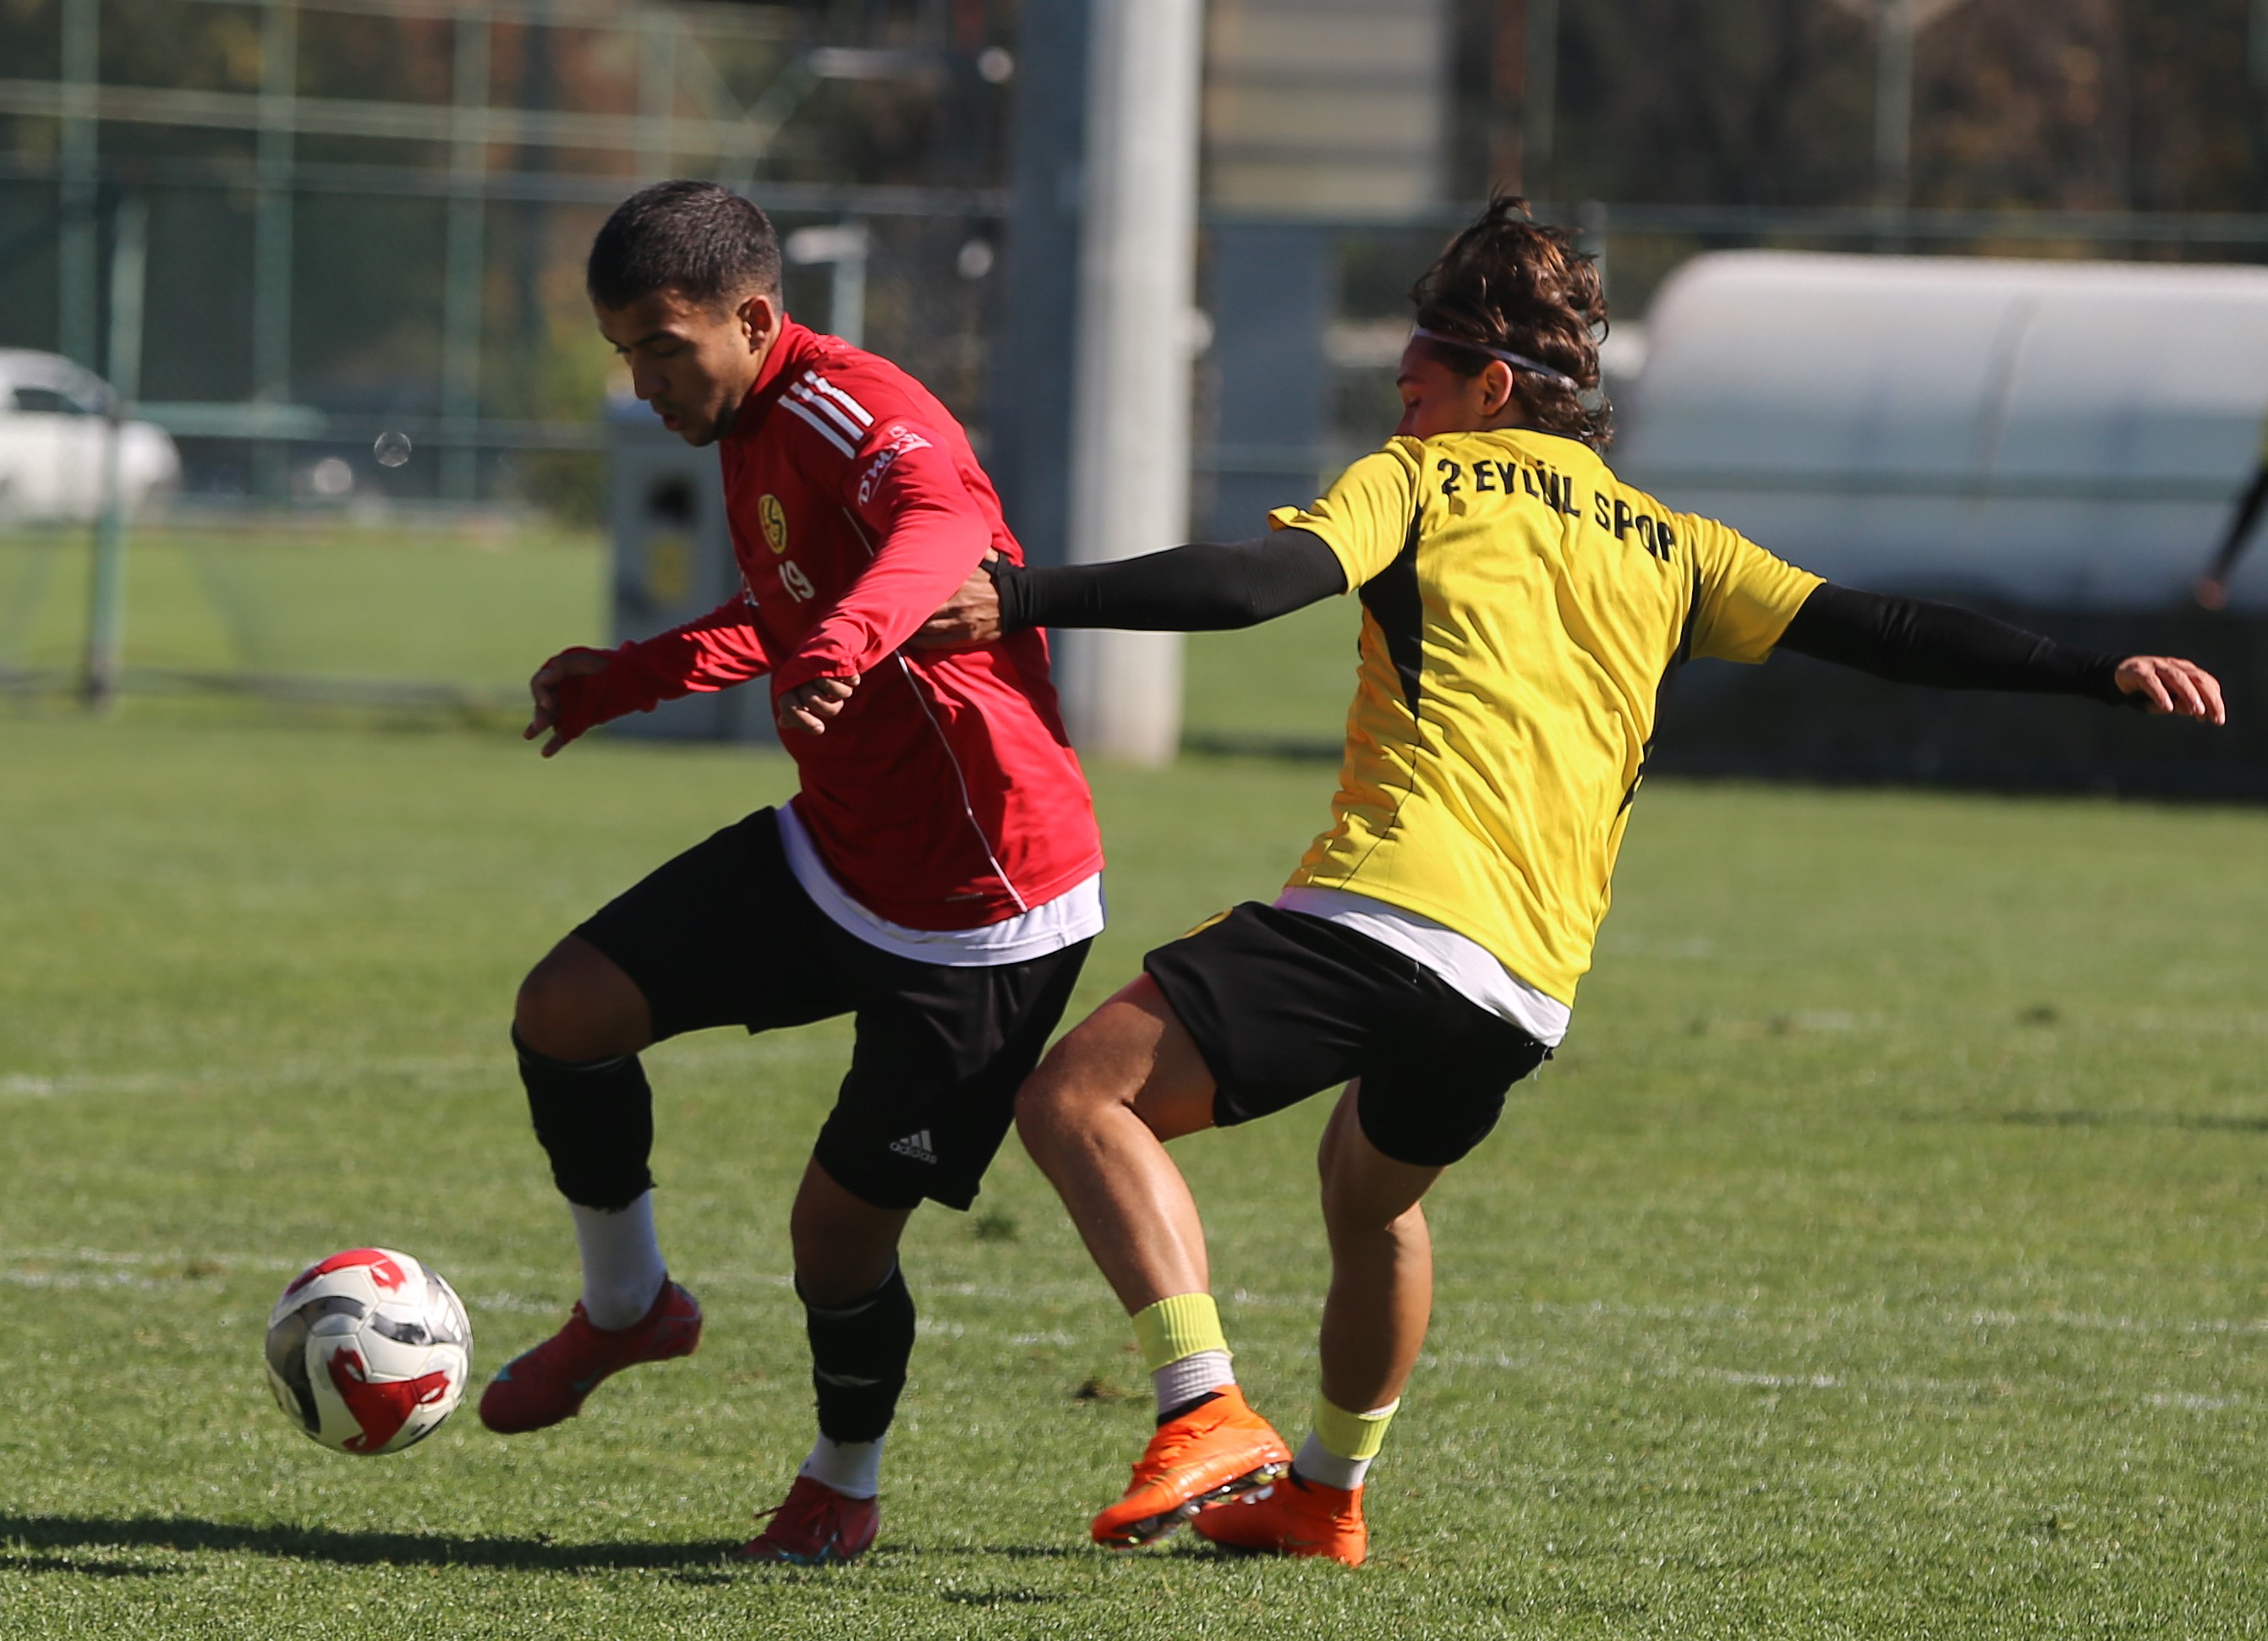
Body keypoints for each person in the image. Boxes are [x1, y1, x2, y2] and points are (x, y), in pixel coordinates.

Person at [913, 196, 2227, 1567]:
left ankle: (1201, 1410)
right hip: (1522, 986)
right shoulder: (1672, 542)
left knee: (1078, 1097)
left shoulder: (1421, 480)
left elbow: (1255, 585)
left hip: (1387, 907)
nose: (1401, 411)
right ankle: (1324, 1495)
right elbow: (1885, 627)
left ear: (1488, 388)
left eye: (1413, 388)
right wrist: (2095, 670)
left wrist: (1023, 594)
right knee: (1371, 1197)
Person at [483, 180, 1104, 1565]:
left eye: (663, 348)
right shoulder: (745, 420)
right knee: (564, 1009)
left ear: (754, 320)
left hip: (984, 906)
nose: (643, 384)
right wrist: (632, 675)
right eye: (624, 353)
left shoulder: (848, 406)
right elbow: (787, 604)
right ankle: (629, 1305)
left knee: (833, 1240)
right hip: (837, 851)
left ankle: (842, 1480)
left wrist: (849, 641)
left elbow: (942, 526)